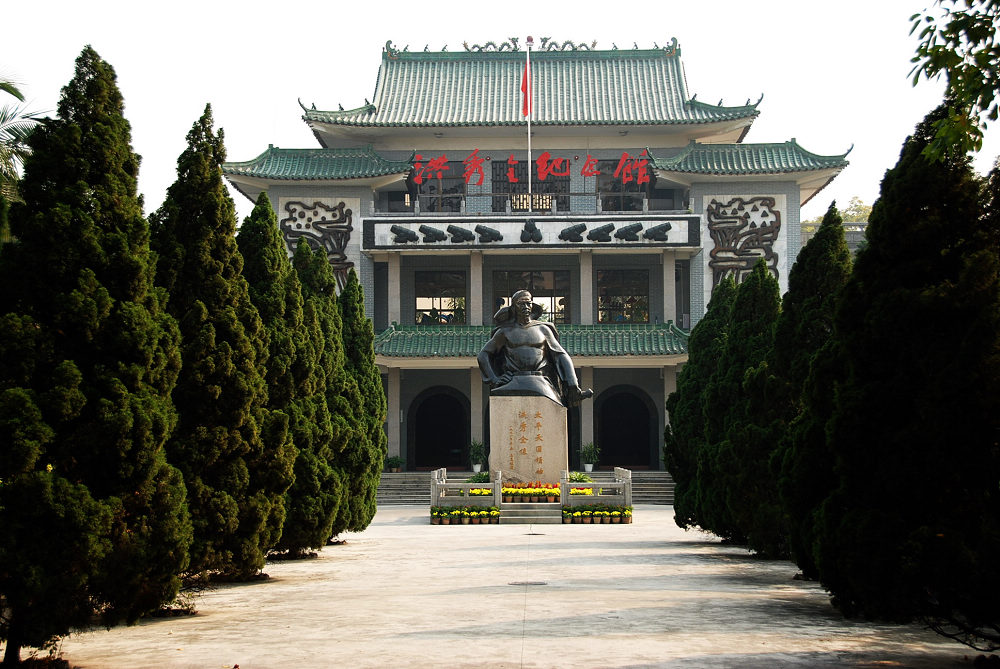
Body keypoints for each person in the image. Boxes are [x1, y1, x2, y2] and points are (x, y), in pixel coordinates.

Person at [478, 290, 593, 407]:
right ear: (513, 307)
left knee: (555, 400)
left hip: (540, 379)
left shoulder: (543, 329)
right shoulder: (505, 331)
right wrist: (494, 379)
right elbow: (483, 355)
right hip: (514, 380)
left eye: (528, 303)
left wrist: (572, 382)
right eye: (521, 304)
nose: (526, 307)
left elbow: (560, 355)